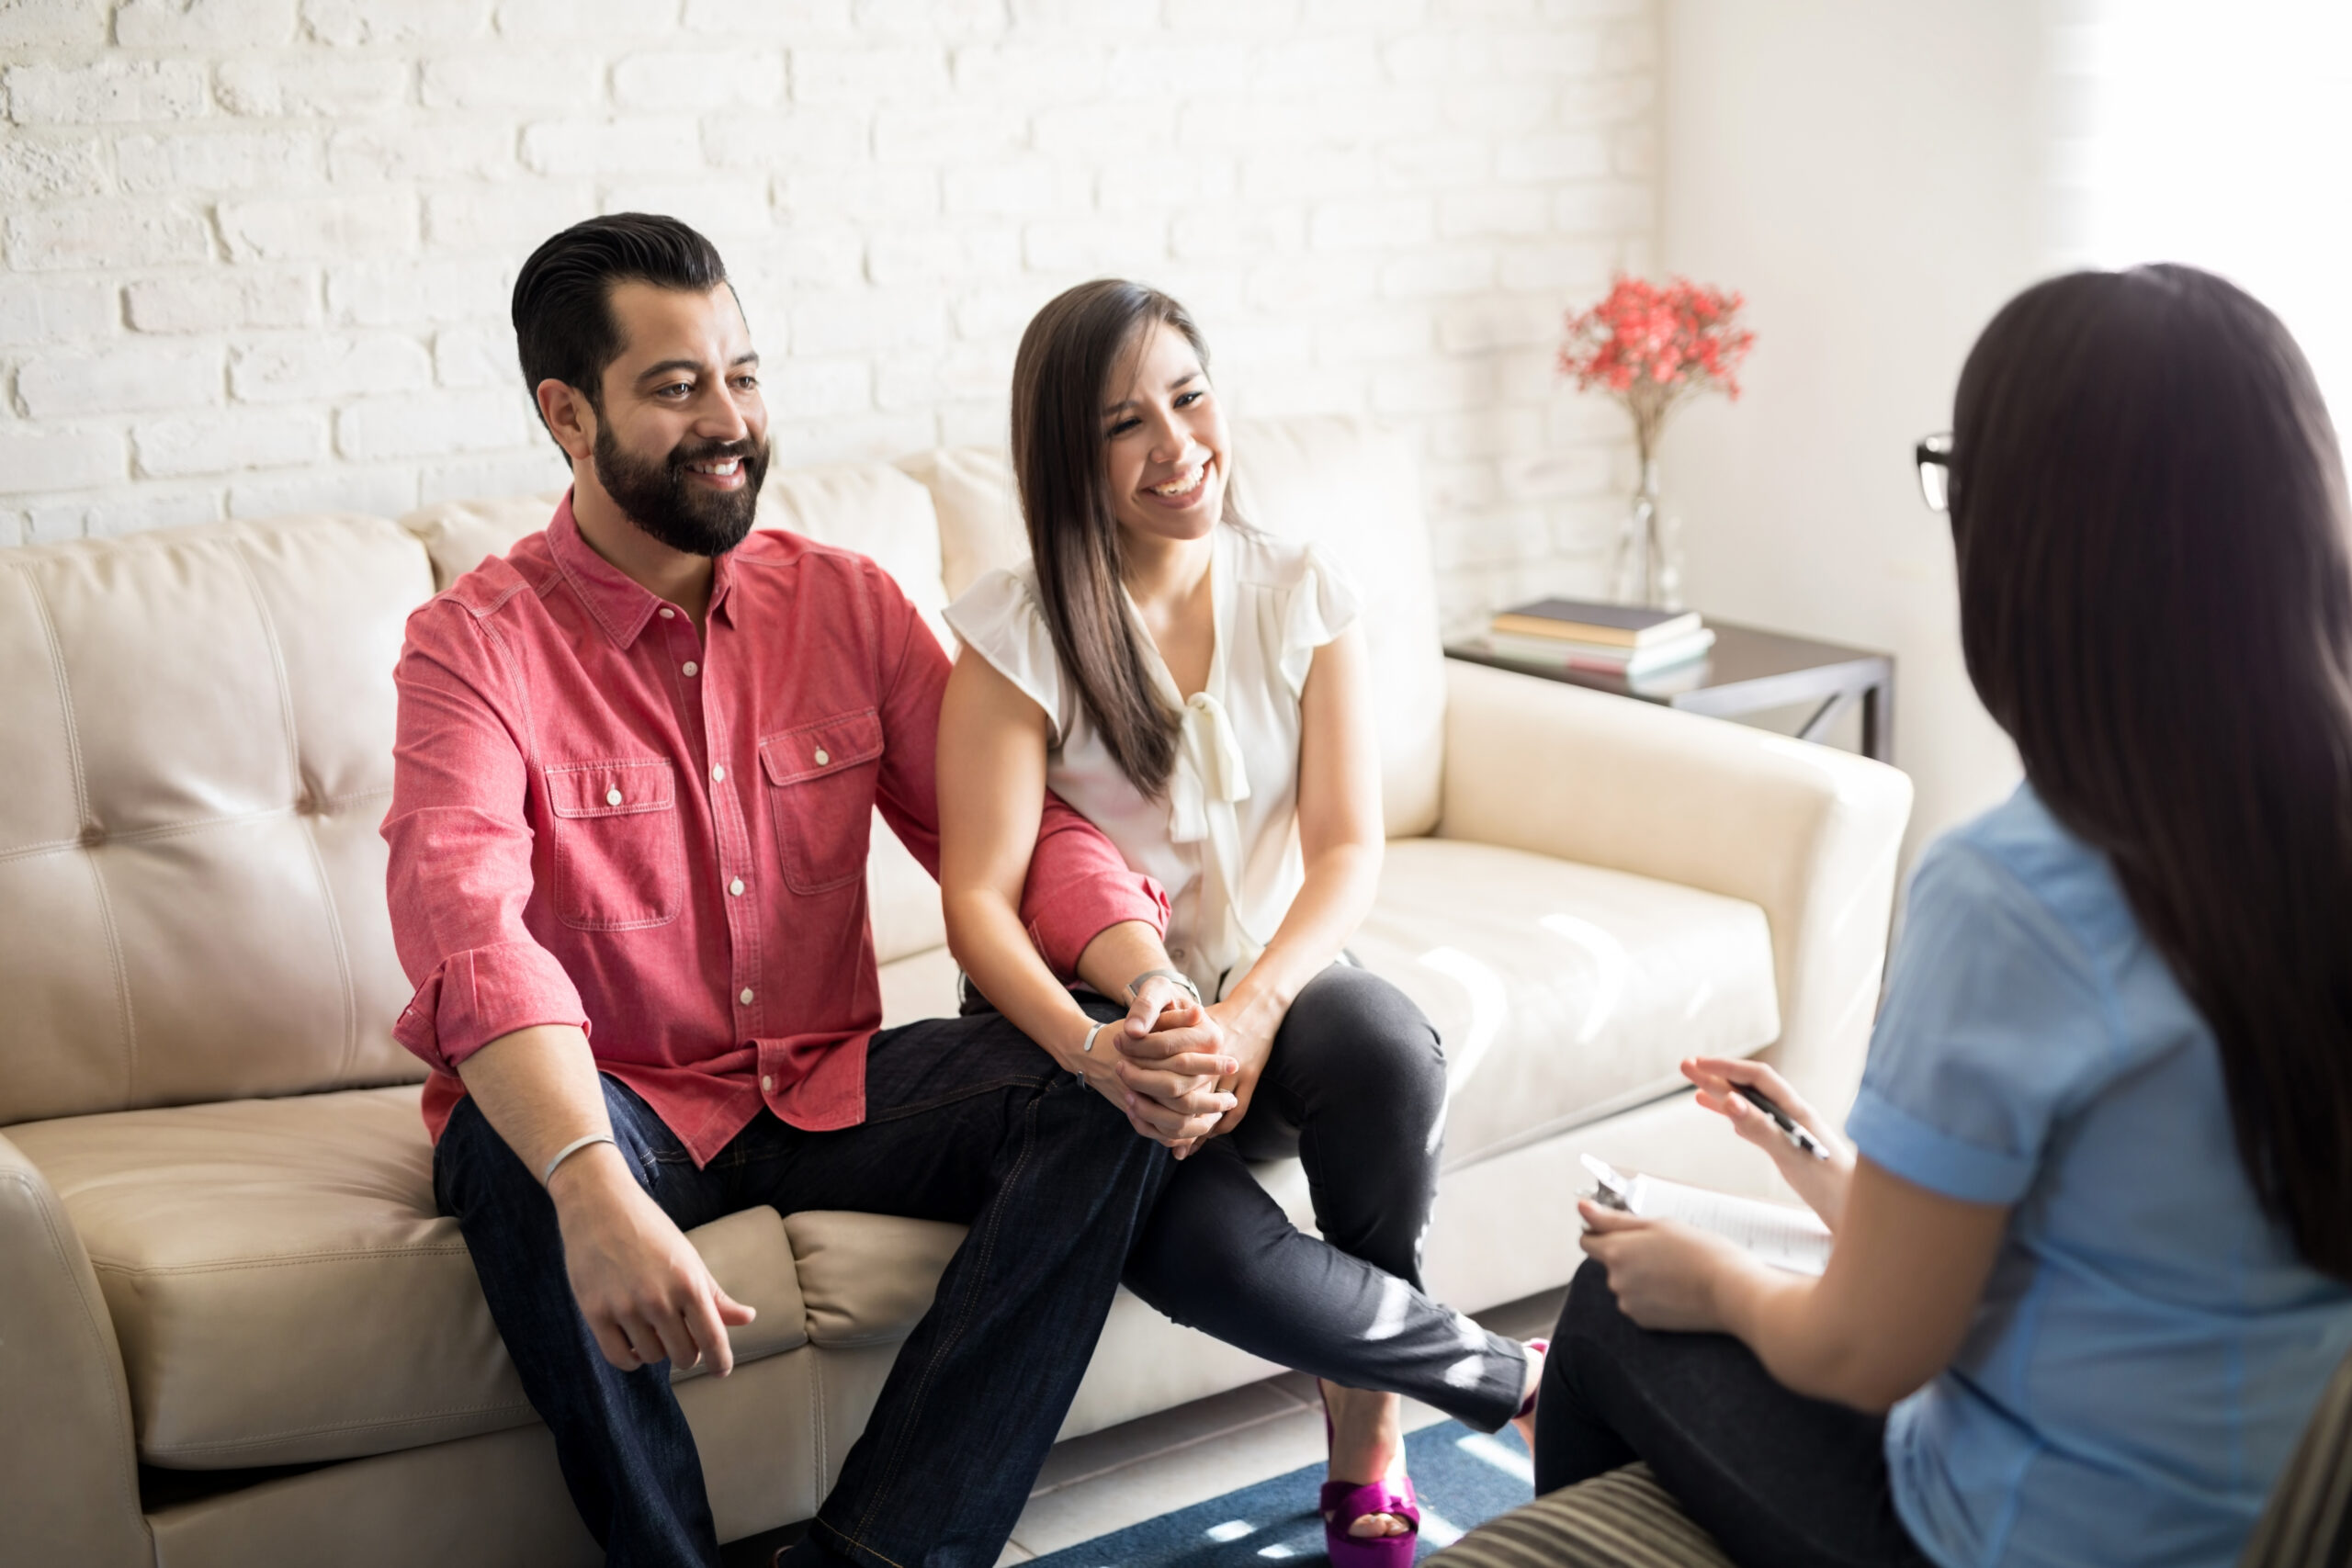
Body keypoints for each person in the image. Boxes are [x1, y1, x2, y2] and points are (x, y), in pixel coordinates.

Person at [381, 215, 1205, 1568]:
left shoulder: (847, 602)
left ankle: (879, 1555)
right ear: (566, 414)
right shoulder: (474, 647)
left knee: (1103, 1094)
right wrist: (594, 1184)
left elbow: (1013, 838)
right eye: (676, 386)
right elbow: (465, 924)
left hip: (824, 1083)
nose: (732, 422)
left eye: (744, 376)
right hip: (621, 1102)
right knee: (508, 1150)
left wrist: (1144, 986)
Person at [1533, 264, 2352, 1568]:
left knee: (1609, 1312)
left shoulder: (2019, 893)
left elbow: (1871, 1351)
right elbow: (2110, 1251)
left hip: (2036, 1538)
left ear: (2038, 543)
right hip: (2265, 1515)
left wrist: (1718, 1286)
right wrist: (1820, 1171)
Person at [933, 278, 1542, 1565]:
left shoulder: (1302, 590)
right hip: (1102, 1031)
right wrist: (1093, 1050)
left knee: (1383, 1047)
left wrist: (1259, 1007)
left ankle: (1366, 1440)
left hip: (1274, 983)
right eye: (1123, 424)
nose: (1177, 444)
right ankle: (1504, 1376)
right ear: (1067, 455)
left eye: (1190, 397)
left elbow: (1348, 847)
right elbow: (979, 904)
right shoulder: (1016, 632)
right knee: (1193, 1240)